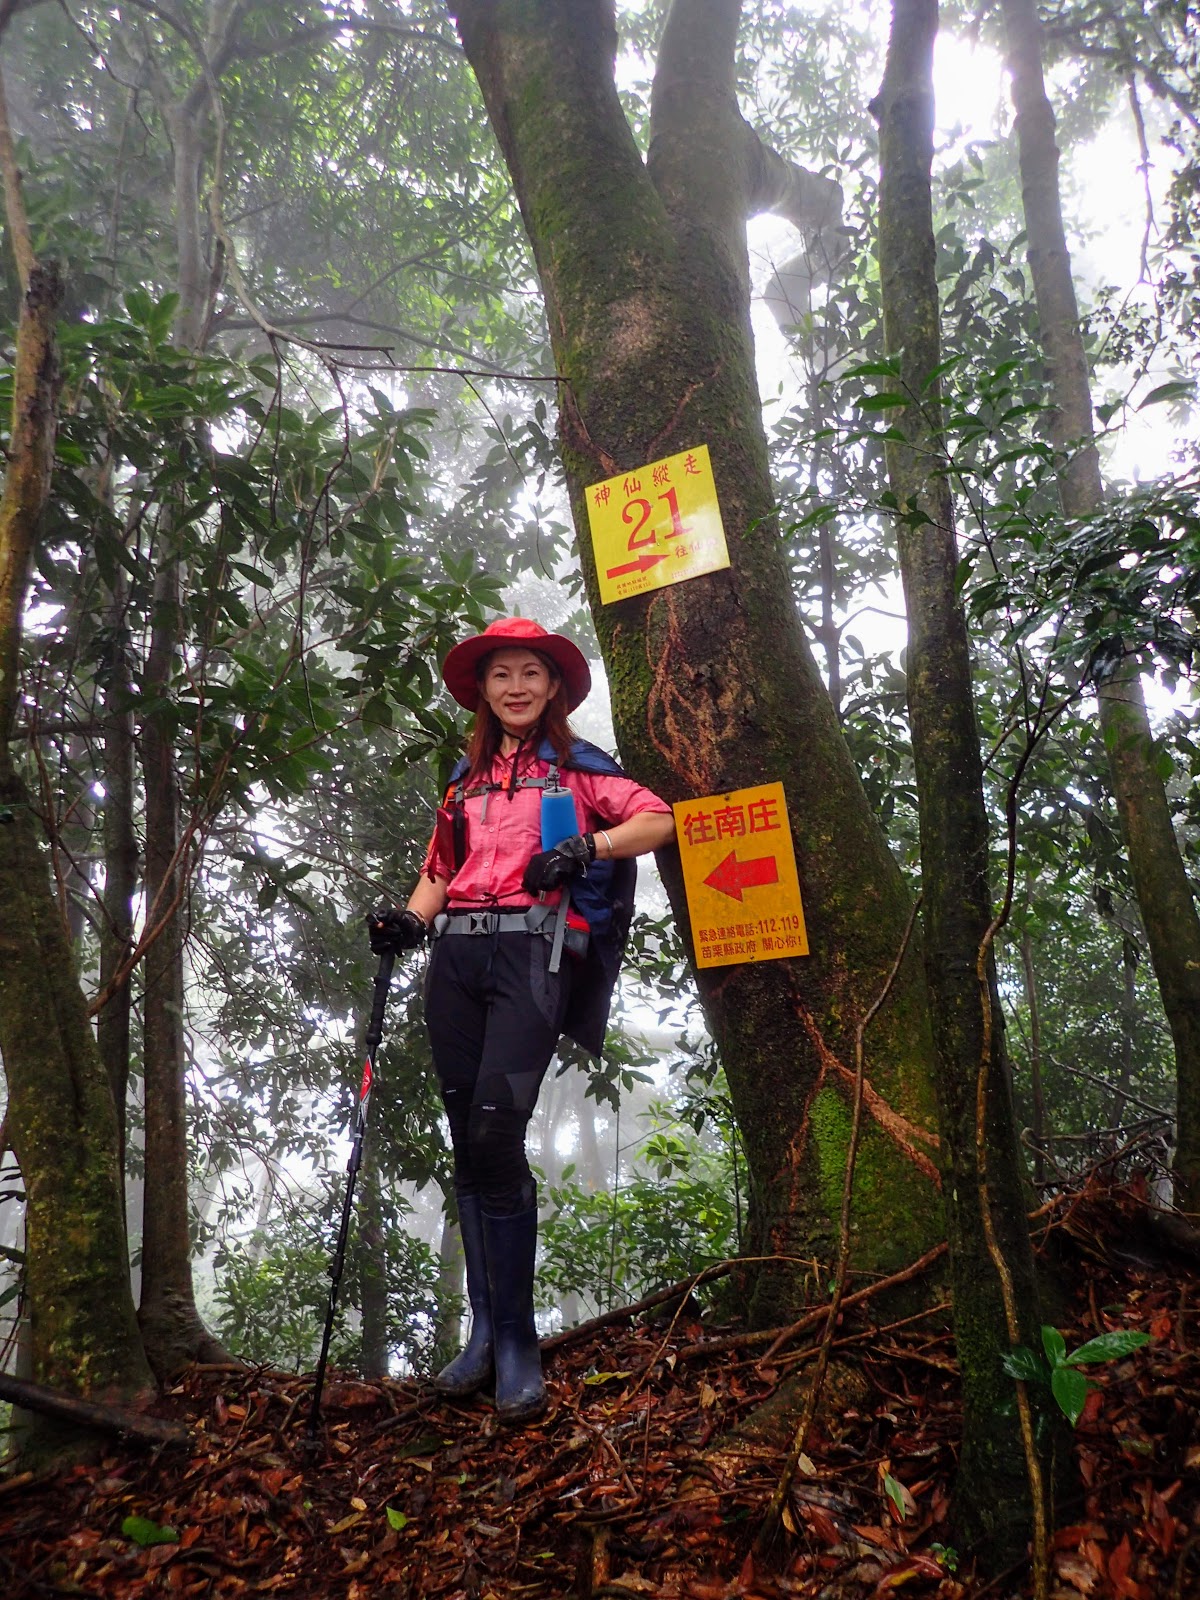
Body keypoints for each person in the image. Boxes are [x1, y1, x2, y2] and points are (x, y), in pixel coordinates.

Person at [367, 617, 676, 1422]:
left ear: (553, 687)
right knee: (467, 1139)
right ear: (482, 689)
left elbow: (657, 818)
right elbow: (441, 871)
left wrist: (585, 849)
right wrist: (408, 922)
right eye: (501, 674)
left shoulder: (578, 770)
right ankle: (480, 1336)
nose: (515, 687)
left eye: (530, 673)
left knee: (496, 1134)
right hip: (456, 962)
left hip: (532, 959)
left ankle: (515, 1342)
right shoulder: (463, 783)